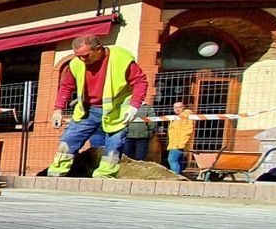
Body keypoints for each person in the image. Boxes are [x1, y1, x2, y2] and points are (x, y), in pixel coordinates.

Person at [47, 35, 148, 178]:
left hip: (116, 111)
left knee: (113, 146)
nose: (82, 60)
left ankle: (104, 176)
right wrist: (58, 109)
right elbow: (66, 86)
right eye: (78, 56)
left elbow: (140, 82)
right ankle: (56, 173)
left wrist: (134, 106)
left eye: (85, 55)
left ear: (99, 50)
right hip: (87, 111)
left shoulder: (121, 58)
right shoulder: (76, 64)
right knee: (68, 140)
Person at [166, 100, 194, 173]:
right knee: (178, 160)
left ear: (183, 108)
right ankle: (179, 175)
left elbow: (187, 130)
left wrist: (181, 142)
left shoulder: (184, 116)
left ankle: (176, 176)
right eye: (175, 107)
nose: (177, 109)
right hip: (174, 143)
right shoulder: (177, 117)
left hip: (178, 143)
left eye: (179, 107)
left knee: (172, 160)